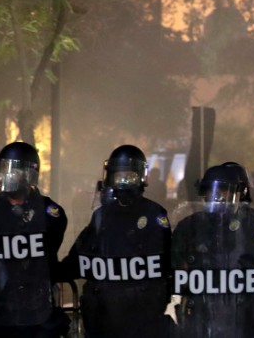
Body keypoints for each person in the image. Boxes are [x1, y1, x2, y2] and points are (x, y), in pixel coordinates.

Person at [62, 145, 172, 338]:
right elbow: (80, 254)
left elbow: (166, 264)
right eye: (118, 176)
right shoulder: (102, 215)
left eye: (130, 177)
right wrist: (53, 271)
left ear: (141, 177)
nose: (123, 182)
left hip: (141, 318)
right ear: (110, 177)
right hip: (103, 317)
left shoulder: (154, 214)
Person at [0, 141, 68, 337]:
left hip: (35, 313)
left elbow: (46, 248)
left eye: (11, 171)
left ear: (28, 175)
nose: (4, 176)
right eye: (2, 170)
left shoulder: (49, 212)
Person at [171, 163, 254, 338]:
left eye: (223, 190)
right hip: (201, 322)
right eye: (210, 190)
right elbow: (176, 273)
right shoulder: (190, 227)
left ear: (240, 193)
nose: (216, 196)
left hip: (245, 321)